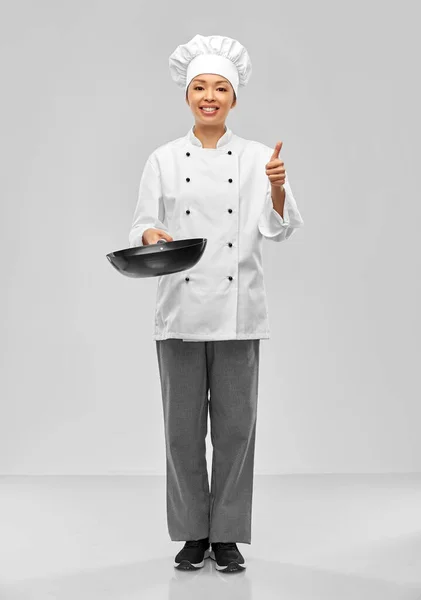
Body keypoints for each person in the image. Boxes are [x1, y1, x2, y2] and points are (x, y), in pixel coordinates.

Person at [129, 34, 304, 573]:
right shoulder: (162, 158)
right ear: (187, 96)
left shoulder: (258, 159)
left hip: (238, 312)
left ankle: (225, 535)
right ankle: (190, 534)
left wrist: (276, 187)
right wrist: (153, 237)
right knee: (182, 431)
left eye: (220, 88)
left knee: (235, 431)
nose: (210, 95)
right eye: (200, 87)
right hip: (179, 312)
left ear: (234, 98)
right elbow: (141, 225)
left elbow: (280, 229)